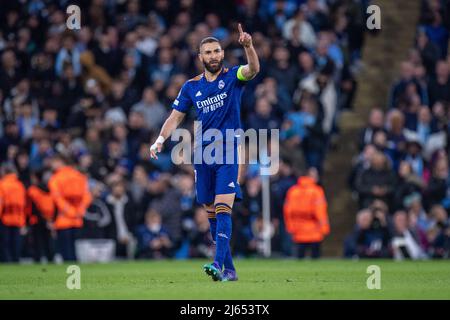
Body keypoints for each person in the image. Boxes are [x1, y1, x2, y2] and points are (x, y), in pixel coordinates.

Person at [150, 24, 260, 281]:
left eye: (216, 51)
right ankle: (230, 270)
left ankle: (219, 264)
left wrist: (249, 47)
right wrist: (159, 140)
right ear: (200, 57)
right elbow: (176, 116)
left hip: (229, 152)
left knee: (223, 208)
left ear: (222, 53)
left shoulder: (233, 77)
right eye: (208, 52)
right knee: (211, 213)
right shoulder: (190, 87)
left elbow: (253, 69)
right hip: (203, 155)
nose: (213, 56)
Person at [48, 154, 92, 262]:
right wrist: (79, 211)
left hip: (63, 220)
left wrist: (69, 211)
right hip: (77, 219)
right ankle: (76, 275)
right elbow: (87, 196)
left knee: (65, 251)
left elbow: (57, 198)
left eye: (53, 162)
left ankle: (69, 277)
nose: (51, 165)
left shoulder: (55, 178)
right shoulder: (80, 177)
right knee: (73, 250)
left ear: (60, 162)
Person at [283, 167, 330, 259]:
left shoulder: (293, 191)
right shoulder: (317, 191)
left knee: (299, 261)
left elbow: (288, 212)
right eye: (315, 175)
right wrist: (324, 228)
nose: (317, 177)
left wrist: (290, 227)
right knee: (315, 261)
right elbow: (320, 212)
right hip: (314, 231)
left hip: (298, 231)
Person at [0, 164, 27, 262]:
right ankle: (16, 261)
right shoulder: (20, 185)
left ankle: (7, 262)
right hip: (18, 219)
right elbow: (23, 205)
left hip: (5, 219)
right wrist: (23, 222)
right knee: (16, 243)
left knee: (5, 244)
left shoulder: (2, 184)